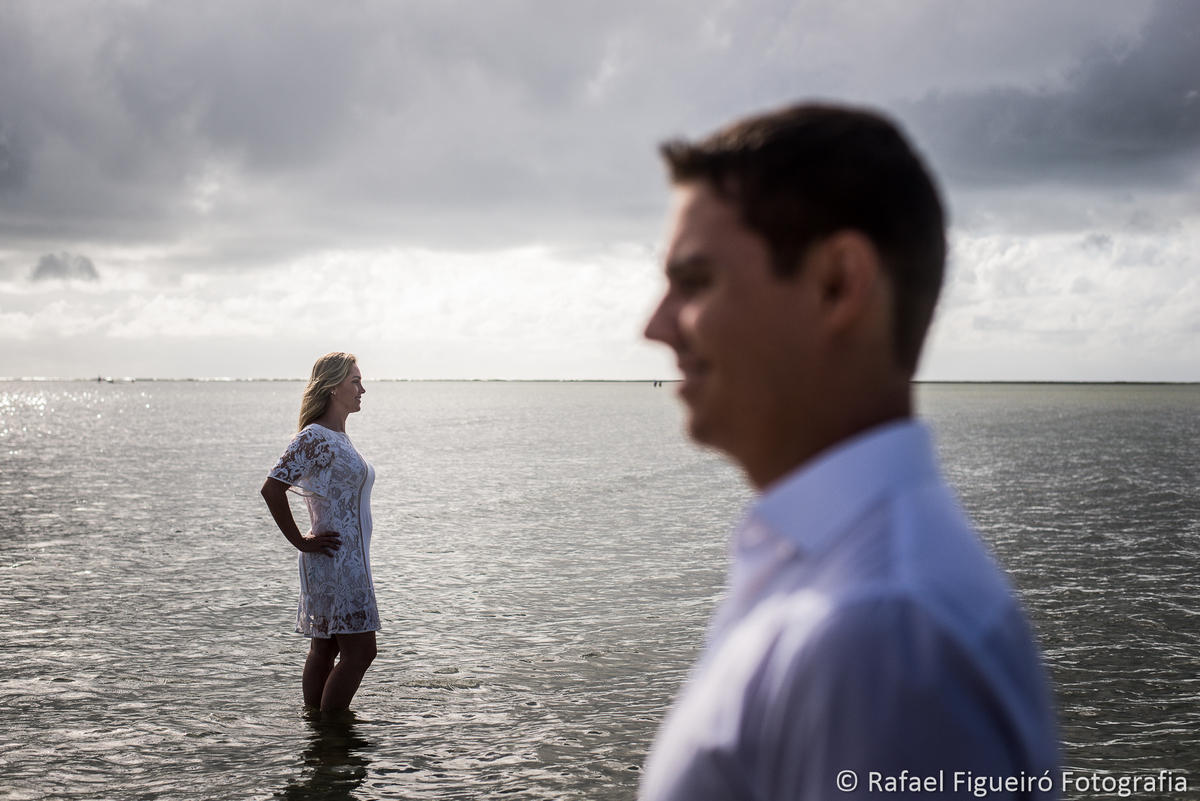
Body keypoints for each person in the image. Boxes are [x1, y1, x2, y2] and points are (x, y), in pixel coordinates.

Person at [639, 104, 1058, 799]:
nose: (655, 326)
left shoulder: (878, 630)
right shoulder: (839, 578)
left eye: (695, 282)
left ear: (837, 284)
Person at [261, 352, 380, 712]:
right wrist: (300, 540)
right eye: (354, 381)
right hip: (335, 560)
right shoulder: (315, 437)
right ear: (332, 388)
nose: (362, 389)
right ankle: (332, 735)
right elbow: (272, 488)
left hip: (346, 559)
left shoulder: (337, 436)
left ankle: (317, 734)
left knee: (326, 648)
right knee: (361, 651)